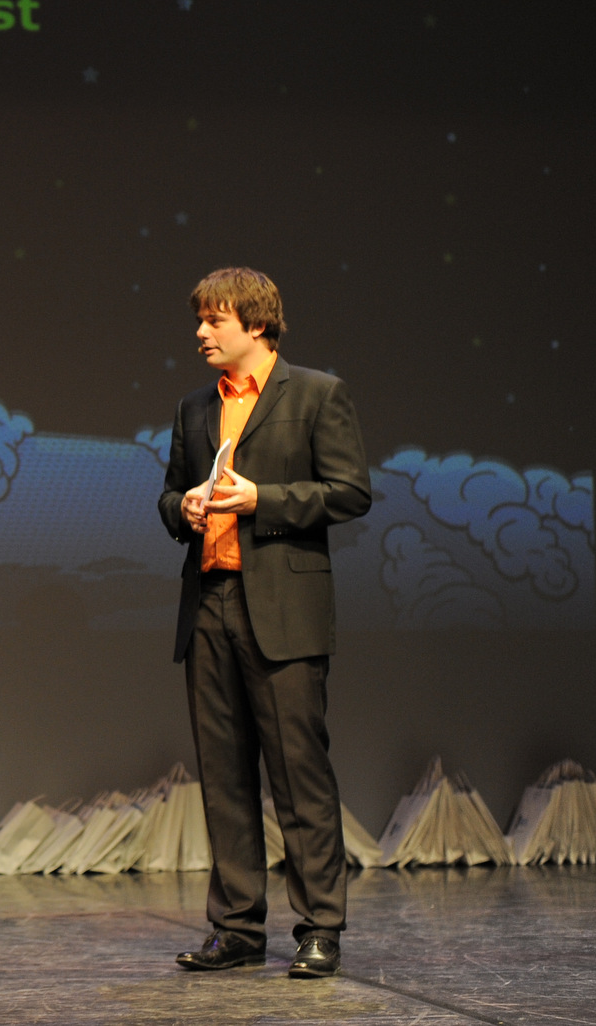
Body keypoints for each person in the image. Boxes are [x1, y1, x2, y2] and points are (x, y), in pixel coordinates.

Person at [156, 268, 370, 979]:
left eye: (214, 320)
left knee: (298, 774)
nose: (200, 333)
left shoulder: (315, 394)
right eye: (200, 321)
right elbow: (168, 493)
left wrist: (262, 499)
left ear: (255, 324)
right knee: (224, 777)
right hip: (209, 603)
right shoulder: (195, 406)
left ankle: (320, 927)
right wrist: (184, 509)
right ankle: (237, 927)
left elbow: (350, 492)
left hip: (282, 610)